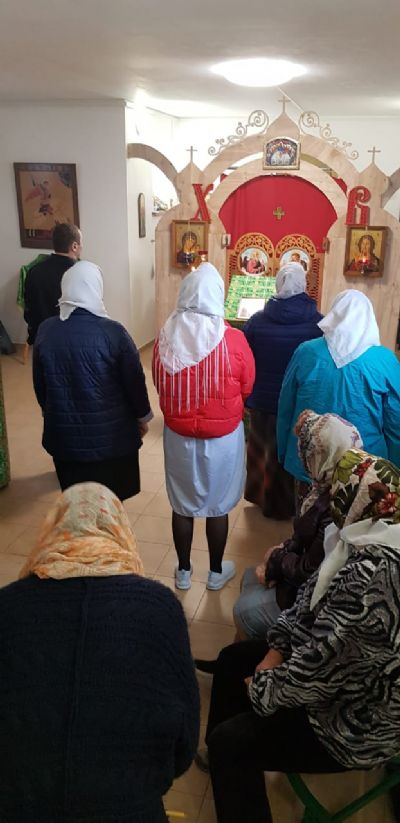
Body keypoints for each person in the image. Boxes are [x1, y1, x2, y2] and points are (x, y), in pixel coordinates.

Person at [199, 448, 400, 823]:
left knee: (233, 743)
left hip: (357, 721)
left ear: (355, 500)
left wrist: (265, 686)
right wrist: (274, 651)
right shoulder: (362, 538)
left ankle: (225, 757)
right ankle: (218, 757)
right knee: (232, 660)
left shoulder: (374, 578)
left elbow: (323, 669)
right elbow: (308, 602)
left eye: (337, 491)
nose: (329, 498)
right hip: (337, 680)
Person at [0, 483, 199, 823]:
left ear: (51, 529)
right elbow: (184, 741)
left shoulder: (8, 606)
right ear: (119, 531)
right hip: (131, 806)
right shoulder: (158, 607)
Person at [153, 262, 255, 591]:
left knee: (182, 504)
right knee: (217, 505)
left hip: (179, 436)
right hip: (222, 438)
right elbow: (247, 386)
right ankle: (215, 572)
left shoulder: (165, 337)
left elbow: (158, 382)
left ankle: (183, 571)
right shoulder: (234, 339)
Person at [232, 411, 362, 640]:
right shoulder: (333, 483)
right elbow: (304, 539)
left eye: (307, 452)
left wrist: (276, 560)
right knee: (250, 577)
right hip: (306, 578)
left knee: (244, 610)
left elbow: (308, 571)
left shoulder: (336, 504)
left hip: (316, 601)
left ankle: (260, 651)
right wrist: (280, 555)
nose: (303, 458)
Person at [33, 261, 153, 500]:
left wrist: (52, 414)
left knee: (77, 505)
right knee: (111, 505)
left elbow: (40, 385)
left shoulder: (46, 330)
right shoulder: (113, 332)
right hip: (113, 441)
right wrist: (142, 417)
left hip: (65, 441)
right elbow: (134, 383)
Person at [278, 289, 400, 489]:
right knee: (357, 510)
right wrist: (394, 471)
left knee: (309, 508)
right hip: (364, 467)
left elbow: (286, 406)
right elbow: (396, 423)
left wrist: (285, 451)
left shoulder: (306, 351)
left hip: (310, 461)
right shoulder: (384, 360)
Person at [243, 262, 323, 519]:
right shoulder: (318, 323)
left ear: (277, 284)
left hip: (262, 399)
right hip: (299, 402)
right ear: (303, 285)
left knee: (261, 449)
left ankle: (259, 497)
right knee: (291, 452)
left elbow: (246, 359)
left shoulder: (257, 321)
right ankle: (286, 506)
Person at [24, 222, 82, 344]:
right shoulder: (80, 273)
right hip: (70, 341)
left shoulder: (34, 271)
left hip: (41, 338)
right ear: (74, 246)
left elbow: (28, 311)